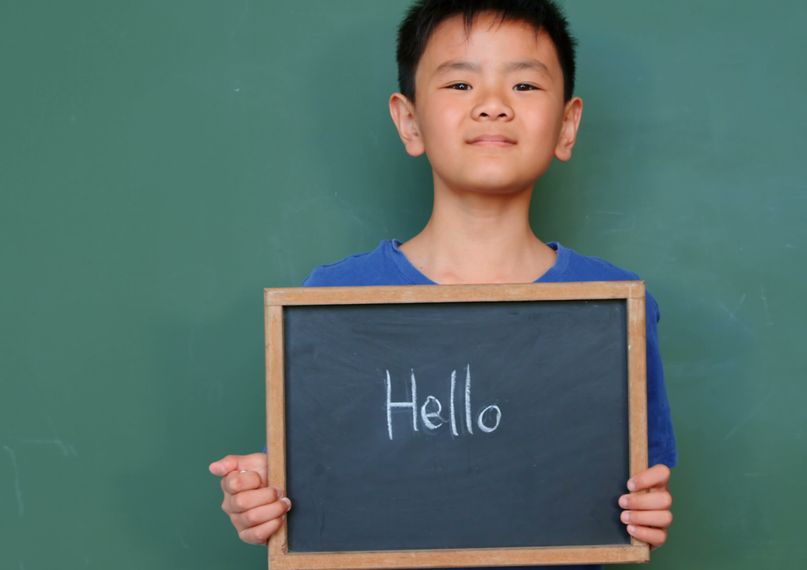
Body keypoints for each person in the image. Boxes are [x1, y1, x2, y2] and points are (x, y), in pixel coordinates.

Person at [208, 1, 677, 567]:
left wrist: (645, 511)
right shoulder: (335, 303)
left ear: (567, 125)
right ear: (410, 122)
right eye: (459, 82)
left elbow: (636, 484)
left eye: (525, 85)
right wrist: (263, 495)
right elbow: (319, 471)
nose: (493, 106)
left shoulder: (612, 309)